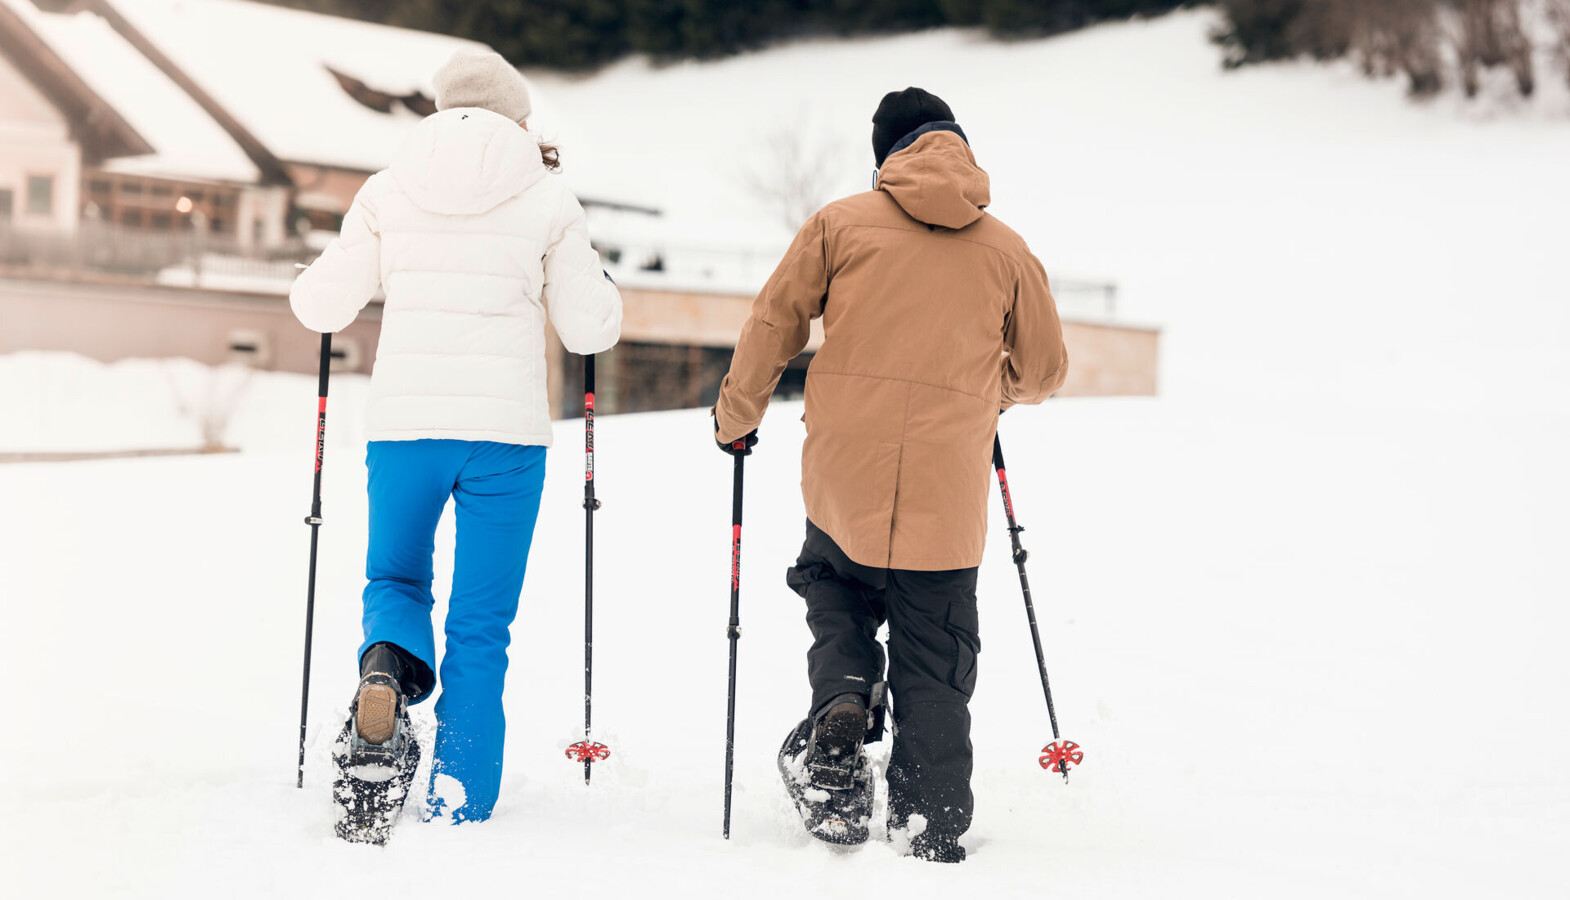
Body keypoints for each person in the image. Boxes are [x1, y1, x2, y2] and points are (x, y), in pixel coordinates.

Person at [712, 87, 1068, 862]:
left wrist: (737, 416)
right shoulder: (1008, 250)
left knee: (836, 592)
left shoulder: (839, 223)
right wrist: (986, 390)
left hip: (845, 479)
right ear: (959, 149)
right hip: (947, 502)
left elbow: (775, 322)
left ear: (886, 158)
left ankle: (841, 701)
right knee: (936, 661)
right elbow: (1043, 370)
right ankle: (931, 822)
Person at [290, 48, 621, 827]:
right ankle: (458, 799)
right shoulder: (549, 197)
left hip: (405, 430)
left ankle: (385, 671)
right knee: (481, 626)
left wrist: (317, 272)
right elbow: (589, 327)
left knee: (396, 583)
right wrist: (598, 280)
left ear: (438, 111)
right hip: (505, 441)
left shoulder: (386, 189)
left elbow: (321, 307)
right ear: (519, 116)